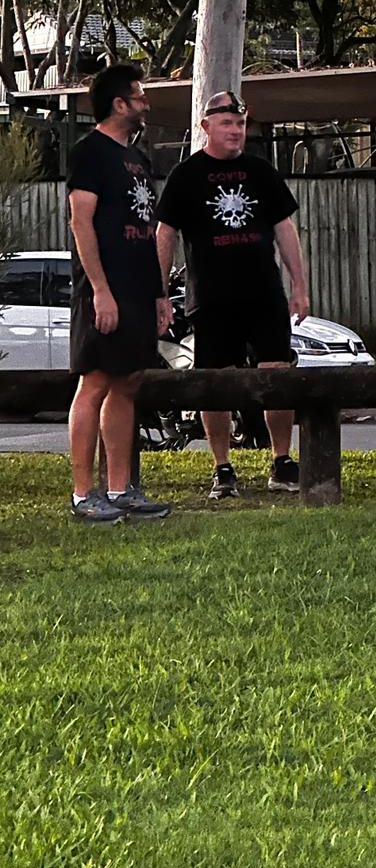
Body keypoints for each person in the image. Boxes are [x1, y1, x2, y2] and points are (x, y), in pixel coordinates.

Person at [156, 91, 310, 500]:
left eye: (240, 124)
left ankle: (282, 460)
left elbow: (285, 229)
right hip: (212, 296)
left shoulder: (260, 171)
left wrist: (299, 286)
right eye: (227, 123)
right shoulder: (187, 175)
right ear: (206, 126)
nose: (236, 131)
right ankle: (222, 468)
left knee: (277, 373)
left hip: (263, 292)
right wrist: (160, 291)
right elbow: (165, 233)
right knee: (215, 381)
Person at [67, 63, 173, 523]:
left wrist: (158, 295)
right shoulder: (89, 153)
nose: (146, 104)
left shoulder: (137, 159)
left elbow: (147, 229)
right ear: (118, 104)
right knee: (95, 382)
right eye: (140, 96)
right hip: (105, 290)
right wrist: (100, 292)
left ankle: (119, 488)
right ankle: (82, 494)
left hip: (138, 289)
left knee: (128, 382)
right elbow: (81, 223)